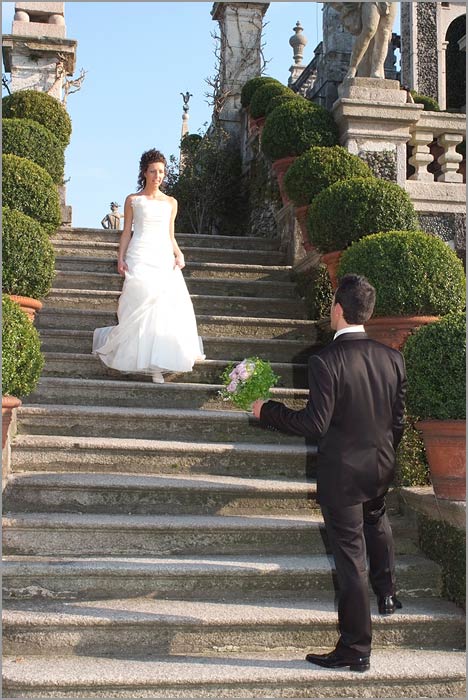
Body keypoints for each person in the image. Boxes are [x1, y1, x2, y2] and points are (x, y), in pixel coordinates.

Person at [252, 274, 406, 672]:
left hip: (343, 476)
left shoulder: (325, 360)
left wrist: (267, 411)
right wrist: (385, 453)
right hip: (380, 465)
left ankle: (357, 648)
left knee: (351, 558)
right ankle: (387, 591)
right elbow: (398, 422)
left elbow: (314, 424)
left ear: (338, 310)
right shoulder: (393, 357)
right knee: (377, 518)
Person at [93, 148, 205, 383]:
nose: (158, 176)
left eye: (162, 172)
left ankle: (157, 365)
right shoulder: (133, 200)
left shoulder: (171, 202)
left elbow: (171, 235)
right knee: (141, 300)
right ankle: (139, 358)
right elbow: (126, 233)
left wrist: (179, 254)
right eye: (153, 171)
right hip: (140, 254)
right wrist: (120, 257)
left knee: (164, 307)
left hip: (163, 256)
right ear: (144, 173)